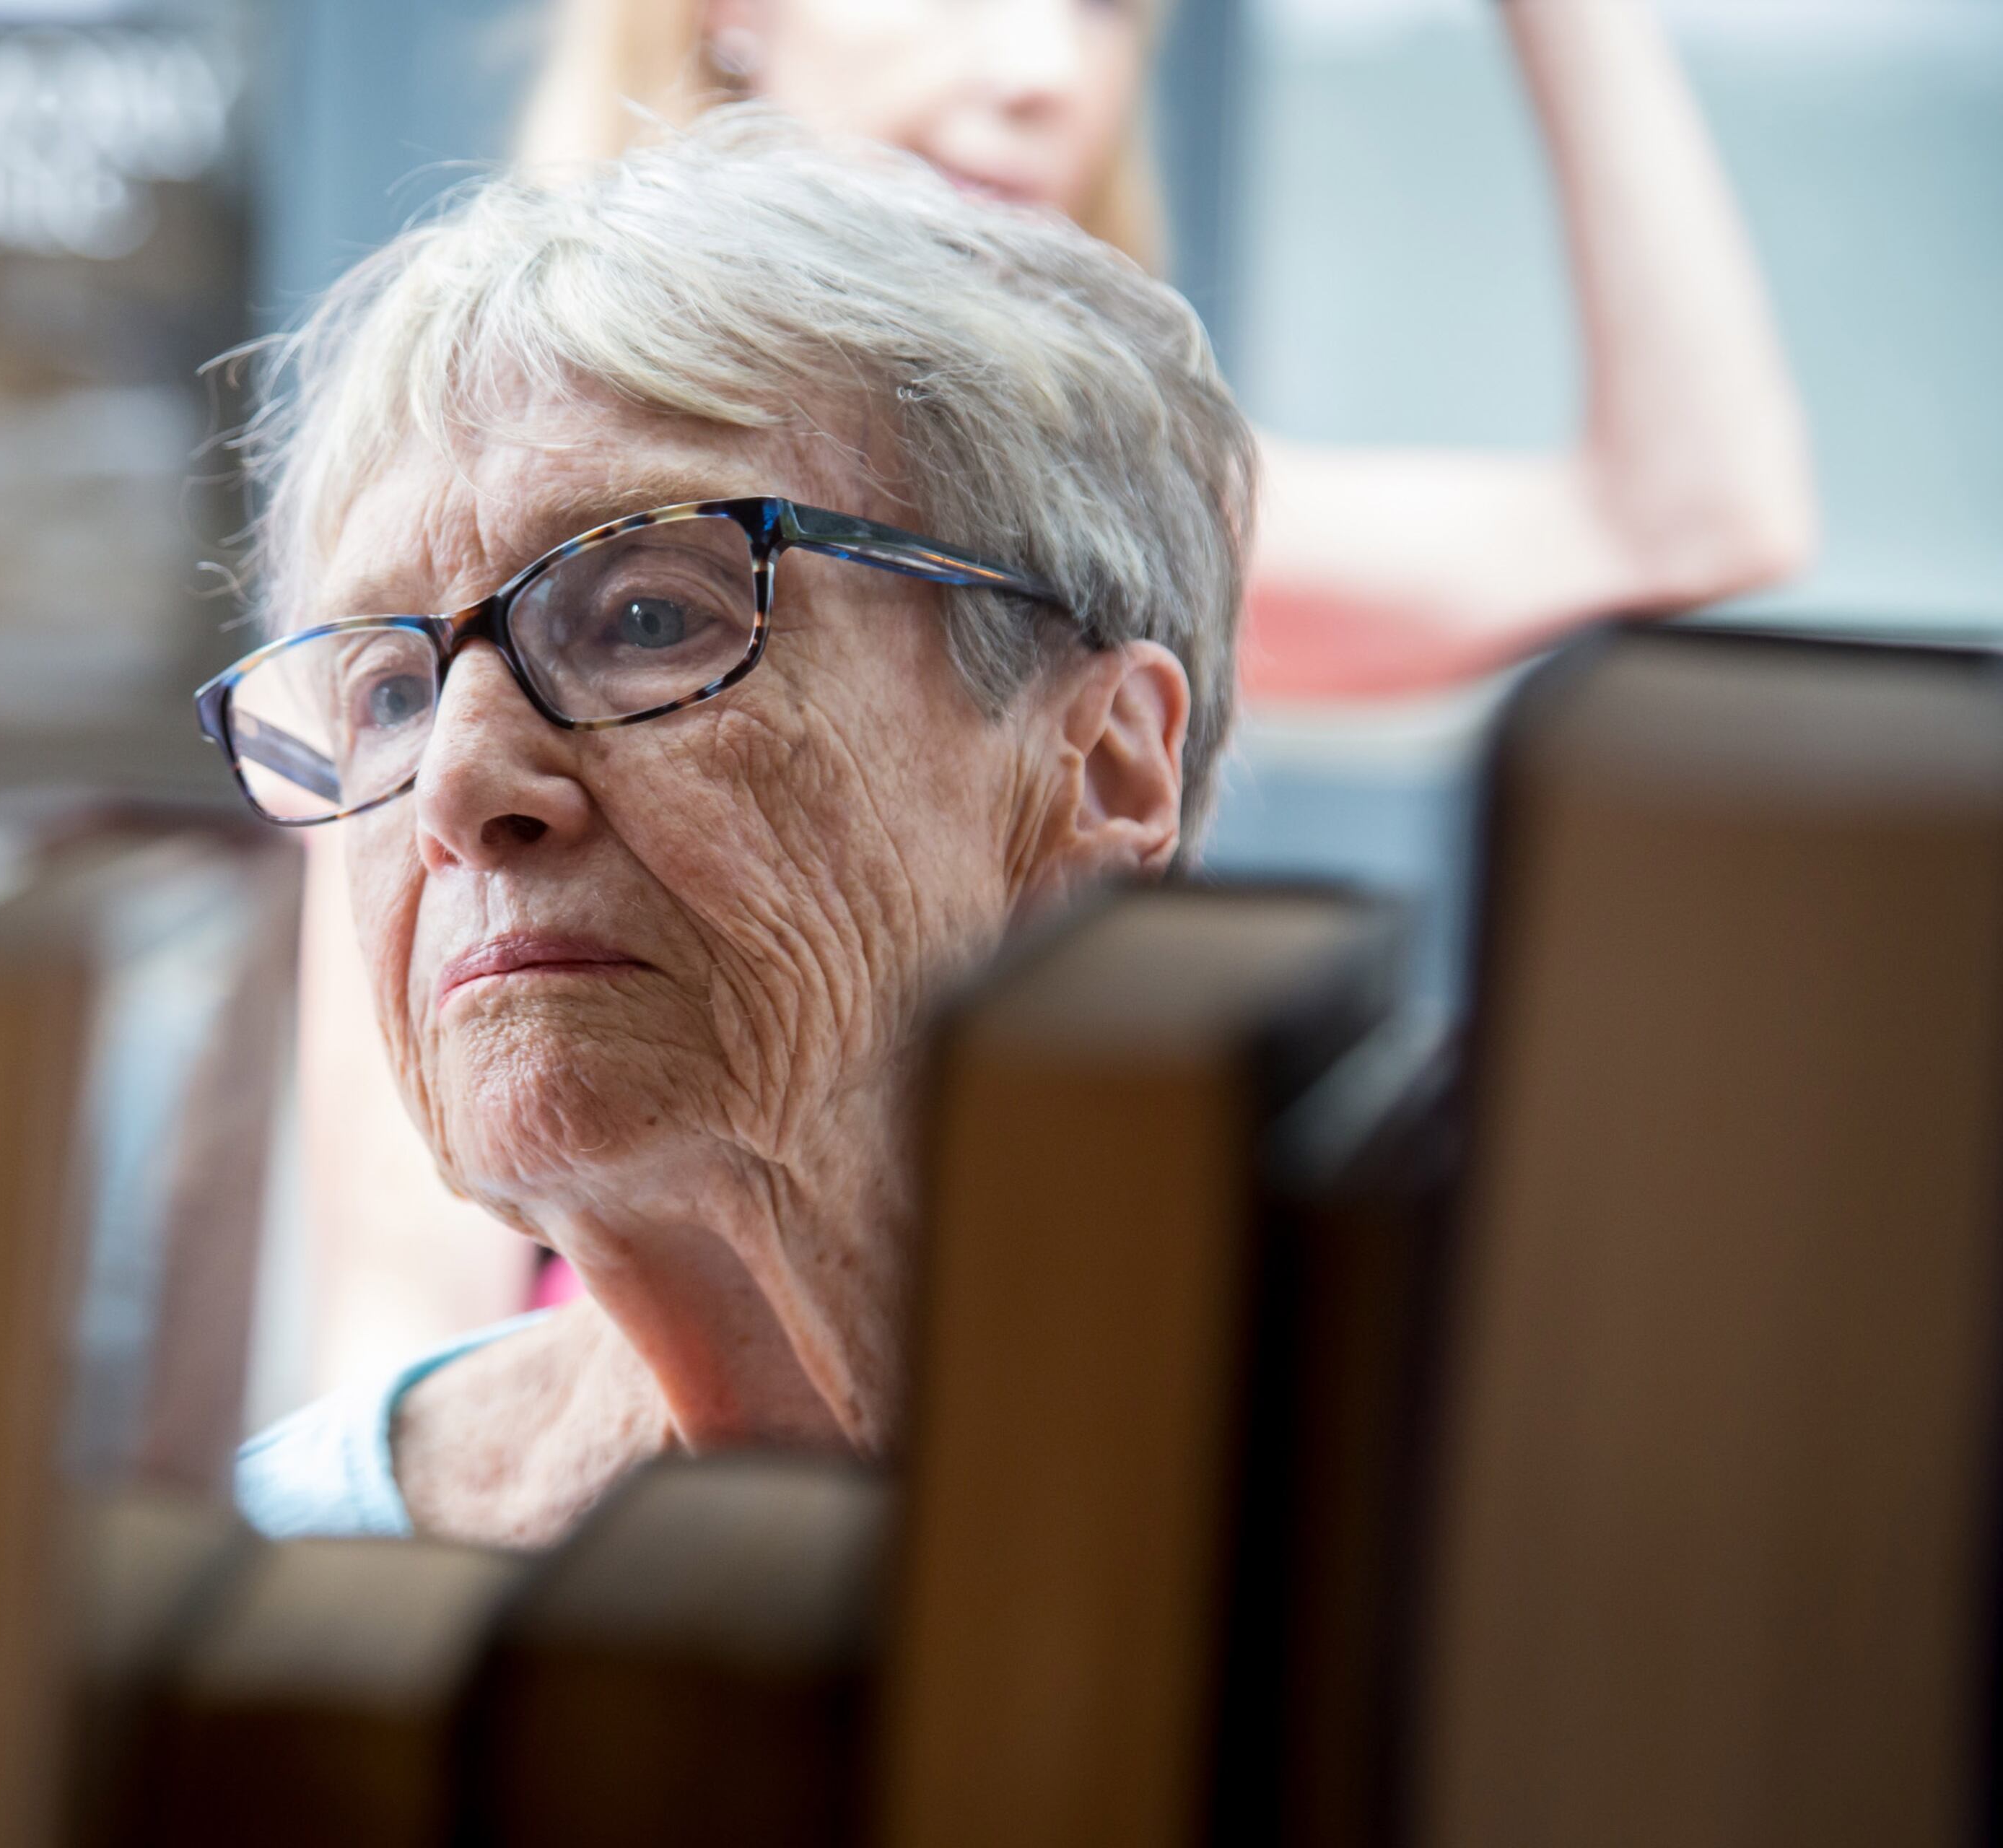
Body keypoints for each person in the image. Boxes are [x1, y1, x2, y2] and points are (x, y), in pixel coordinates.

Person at [292, 0, 1823, 1395]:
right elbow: (390, 1307)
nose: (1038, 72)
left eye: (1102, 12)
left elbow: (1696, 519)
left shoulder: (1082, 514)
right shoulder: (436, 516)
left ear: (1117, 749)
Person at [220, 113, 1252, 1543]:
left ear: (1104, 769)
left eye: (648, 616)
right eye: (390, 689)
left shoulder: (1461, 1572)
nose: (458, 788)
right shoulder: (273, 1592)